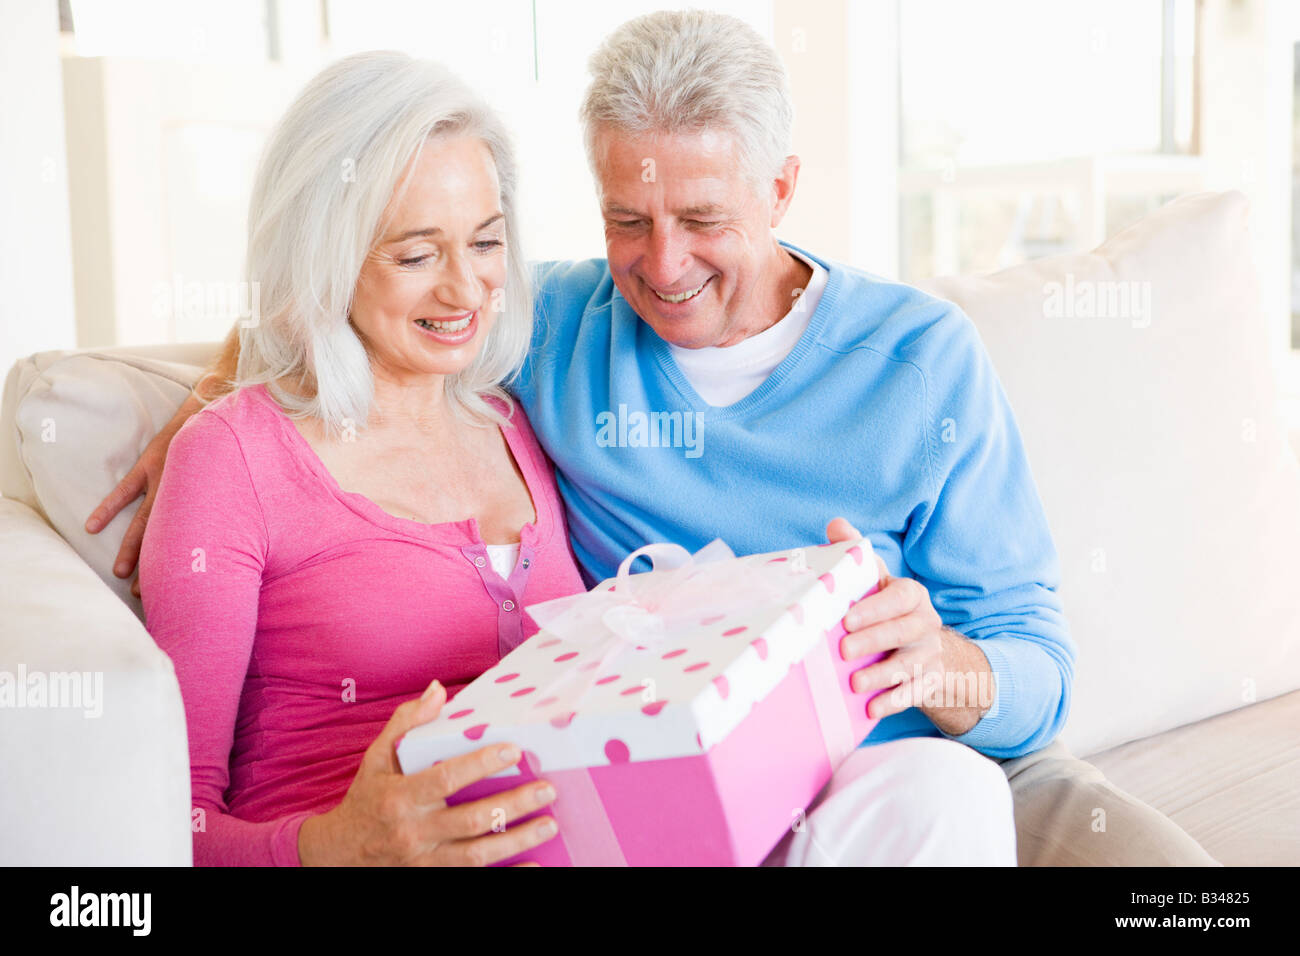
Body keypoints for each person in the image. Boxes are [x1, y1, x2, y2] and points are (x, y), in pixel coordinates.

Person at [94, 12, 1216, 865]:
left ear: (780, 188)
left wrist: (949, 665)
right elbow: (363, 294)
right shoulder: (549, 334)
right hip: (630, 807)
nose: (664, 265)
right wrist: (212, 395)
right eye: (626, 221)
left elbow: (1038, 670)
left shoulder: (922, 360)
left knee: (982, 805)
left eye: (704, 221)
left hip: (865, 773)